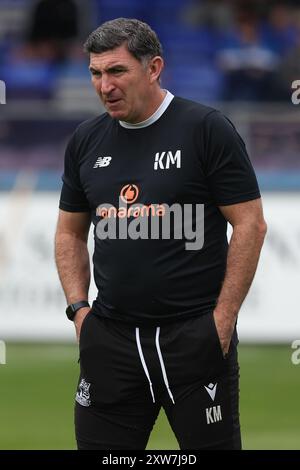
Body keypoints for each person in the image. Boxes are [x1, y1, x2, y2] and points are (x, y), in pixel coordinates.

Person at [55, 18, 267, 450]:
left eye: (117, 71)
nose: (104, 85)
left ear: (153, 68)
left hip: (193, 335)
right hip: (111, 339)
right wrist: (78, 309)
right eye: (95, 73)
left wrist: (223, 319)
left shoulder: (206, 129)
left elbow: (250, 224)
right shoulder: (85, 140)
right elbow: (69, 233)